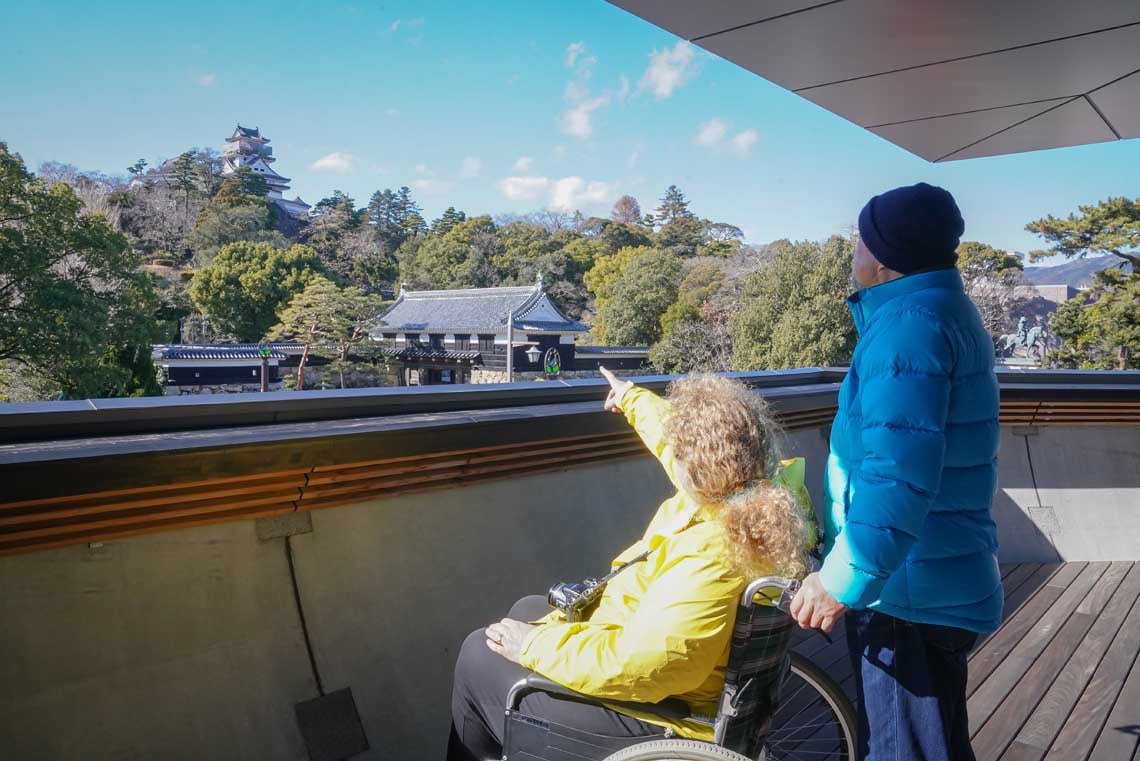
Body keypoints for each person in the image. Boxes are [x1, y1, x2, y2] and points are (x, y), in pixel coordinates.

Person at [448, 369, 816, 761]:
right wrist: (632, 398)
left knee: (477, 657)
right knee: (529, 608)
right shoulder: (764, 493)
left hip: (669, 713)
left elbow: (654, 663)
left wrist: (533, 646)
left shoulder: (715, 551)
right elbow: (676, 439)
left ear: (700, 469)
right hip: (686, 676)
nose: (672, 459)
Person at [789, 182, 1003, 761]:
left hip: (906, 591)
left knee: (906, 750)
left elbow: (896, 478)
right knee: (937, 743)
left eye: (858, 237)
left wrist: (841, 581)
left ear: (882, 257)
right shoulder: (943, 311)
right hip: (932, 573)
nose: (851, 250)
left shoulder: (908, 330)